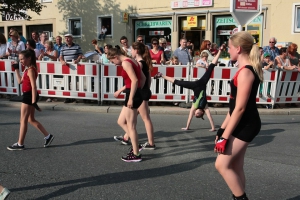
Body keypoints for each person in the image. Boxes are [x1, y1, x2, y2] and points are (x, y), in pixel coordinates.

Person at [214, 31, 263, 200]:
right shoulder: (243, 69)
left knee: (221, 164)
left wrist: (224, 137)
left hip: (247, 123)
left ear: (239, 48)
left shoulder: (246, 72)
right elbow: (233, 107)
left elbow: (240, 109)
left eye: (229, 47)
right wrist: (221, 130)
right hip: (242, 121)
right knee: (236, 165)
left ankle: (241, 198)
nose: (228, 50)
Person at [153, 45, 226, 131]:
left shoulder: (194, 106)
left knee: (178, 82)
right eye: (198, 114)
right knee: (210, 68)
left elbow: (190, 117)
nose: (196, 113)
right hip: (202, 84)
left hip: (194, 86)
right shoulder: (204, 106)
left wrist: (187, 127)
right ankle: (220, 51)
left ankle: (161, 75)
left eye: (196, 114)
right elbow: (210, 117)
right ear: (202, 113)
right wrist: (213, 127)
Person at [7, 49, 54, 150]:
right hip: (29, 95)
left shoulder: (31, 70)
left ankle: (20, 144)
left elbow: (34, 87)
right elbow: (20, 81)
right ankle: (48, 136)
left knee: (23, 120)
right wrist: (16, 69)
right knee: (30, 119)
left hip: (29, 96)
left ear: (29, 58)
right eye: (19, 60)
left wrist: (33, 101)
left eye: (22, 59)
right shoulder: (26, 69)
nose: (21, 61)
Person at [114, 42, 155, 149]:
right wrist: (146, 89)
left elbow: (136, 80)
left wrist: (121, 90)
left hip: (139, 92)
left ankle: (150, 143)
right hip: (143, 91)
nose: (130, 52)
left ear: (136, 51)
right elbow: (148, 78)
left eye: (132, 50)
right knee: (132, 119)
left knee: (144, 119)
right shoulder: (143, 62)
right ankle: (127, 137)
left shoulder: (139, 63)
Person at [107, 48, 145, 162]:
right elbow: (142, 78)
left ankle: (136, 154)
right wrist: (138, 91)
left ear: (116, 57)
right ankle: (135, 145)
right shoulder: (133, 60)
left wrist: (132, 97)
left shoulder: (125, 63)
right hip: (133, 92)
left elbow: (134, 80)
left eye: (112, 61)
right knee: (120, 121)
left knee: (131, 126)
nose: (113, 64)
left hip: (131, 95)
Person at [60, 33, 83, 103]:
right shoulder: (63, 47)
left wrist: (77, 60)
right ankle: (67, 97)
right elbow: (61, 56)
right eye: (66, 38)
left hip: (74, 66)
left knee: (74, 82)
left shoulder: (77, 46)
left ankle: (74, 96)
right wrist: (62, 61)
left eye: (68, 38)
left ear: (72, 39)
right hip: (66, 66)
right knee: (66, 82)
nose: (67, 39)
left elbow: (80, 54)